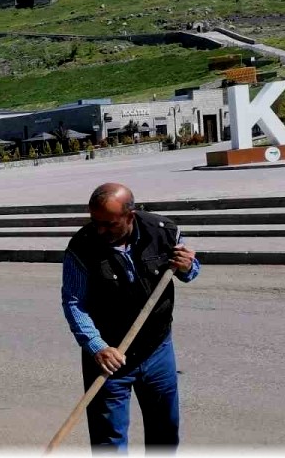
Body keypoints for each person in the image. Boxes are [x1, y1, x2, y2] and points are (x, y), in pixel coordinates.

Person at [61, 182, 199, 452]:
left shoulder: (164, 232)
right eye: (95, 222)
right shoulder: (82, 247)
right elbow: (74, 302)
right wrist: (97, 347)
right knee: (108, 440)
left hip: (157, 348)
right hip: (108, 356)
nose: (101, 231)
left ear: (130, 216)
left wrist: (188, 267)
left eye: (109, 225)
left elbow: (189, 269)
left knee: (165, 432)